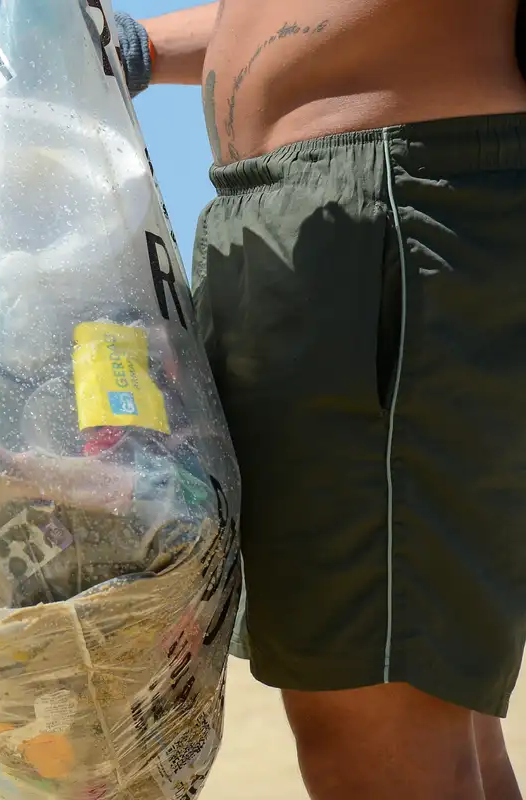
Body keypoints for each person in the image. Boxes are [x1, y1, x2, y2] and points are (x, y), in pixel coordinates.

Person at [112, 4, 524, 798]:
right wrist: (143, 46)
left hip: (386, 201)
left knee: (375, 722)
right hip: (314, 209)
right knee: (427, 718)